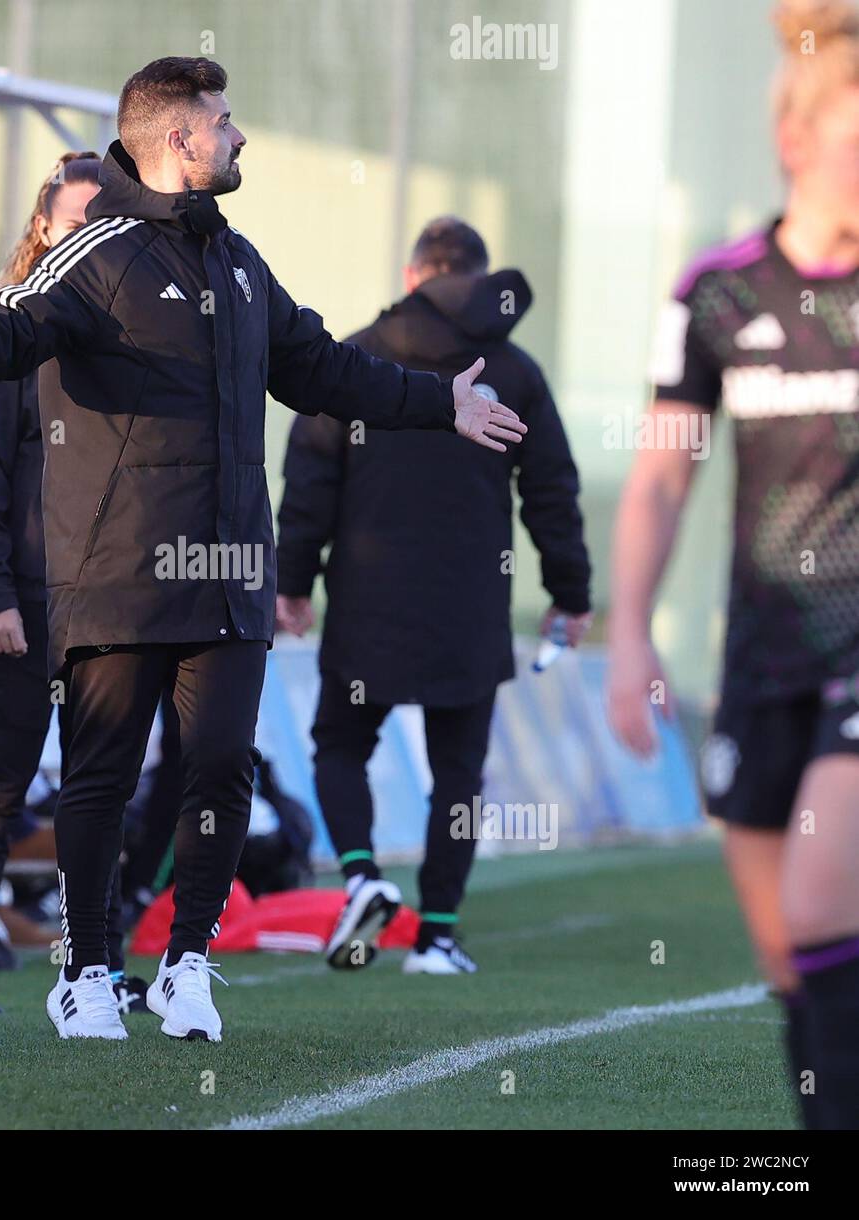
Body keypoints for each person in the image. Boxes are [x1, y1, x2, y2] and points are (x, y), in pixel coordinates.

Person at [0, 57, 526, 1042]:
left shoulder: (239, 263)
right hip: (115, 575)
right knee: (100, 775)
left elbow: (325, 369)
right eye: (224, 121)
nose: (239, 136)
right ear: (180, 141)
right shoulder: (98, 253)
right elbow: (13, 328)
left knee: (222, 763)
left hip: (229, 578)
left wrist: (441, 401)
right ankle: (86, 969)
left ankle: (186, 963)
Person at [606, 0, 859, 1130]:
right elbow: (662, 475)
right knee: (788, 957)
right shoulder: (718, 292)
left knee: (817, 903)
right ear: (796, 142)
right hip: (761, 655)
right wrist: (627, 633)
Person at [276, 217, 592, 975]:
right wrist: (569, 593)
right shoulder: (513, 372)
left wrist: (291, 582)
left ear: (413, 275)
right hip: (472, 603)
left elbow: (309, 481)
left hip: (367, 597)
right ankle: (439, 937)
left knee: (342, 745)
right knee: (459, 774)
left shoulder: (350, 358)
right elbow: (552, 491)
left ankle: (360, 875)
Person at [0, 151, 147, 1016]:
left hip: (107, 598)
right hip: (27, 599)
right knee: (5, 778)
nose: (88, 239)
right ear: (42, 228)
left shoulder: (132, 334)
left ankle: (90, 965)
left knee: (99, 786)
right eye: (74, 222)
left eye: (104, 223)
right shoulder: (4, 328)